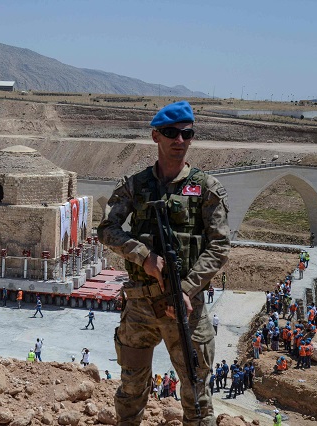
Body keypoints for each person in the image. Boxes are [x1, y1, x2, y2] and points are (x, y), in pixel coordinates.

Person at [97, 101, 230, 425]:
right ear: (156, 136)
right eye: (171, 133)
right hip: (141, 306)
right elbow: (106, 230)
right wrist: (144, 258)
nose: (179, 140)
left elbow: (220, 246)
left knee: (197, 396)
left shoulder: (206, 189)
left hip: (186, 309)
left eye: (186, 133)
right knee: (131, 389)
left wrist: (184, 289)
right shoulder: (136, 185)